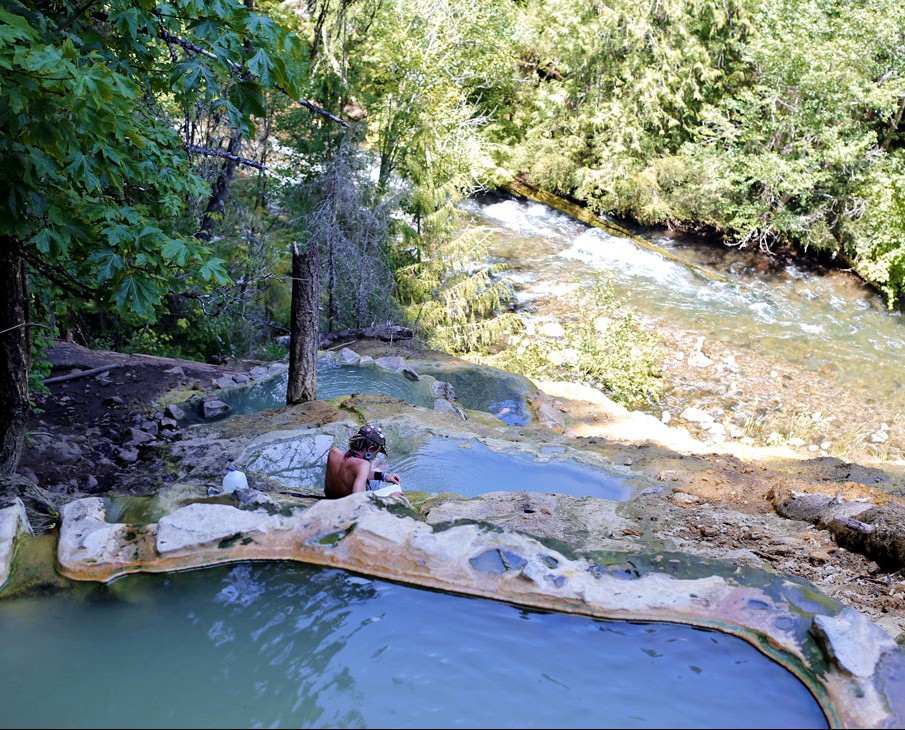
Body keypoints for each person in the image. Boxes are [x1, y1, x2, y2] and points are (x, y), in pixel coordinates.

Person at [324, 424, 403, 499]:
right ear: (370, 449)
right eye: (377, 452)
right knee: (377, 469)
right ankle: (375, 467)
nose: (375, 456)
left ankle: (376, 467)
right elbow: (359, 500)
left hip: (331, 498)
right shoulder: (363, 465)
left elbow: (352, 473)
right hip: (346, 504)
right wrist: (389, 498)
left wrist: (384, 476)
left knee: (376, 468)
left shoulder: (334, 452)